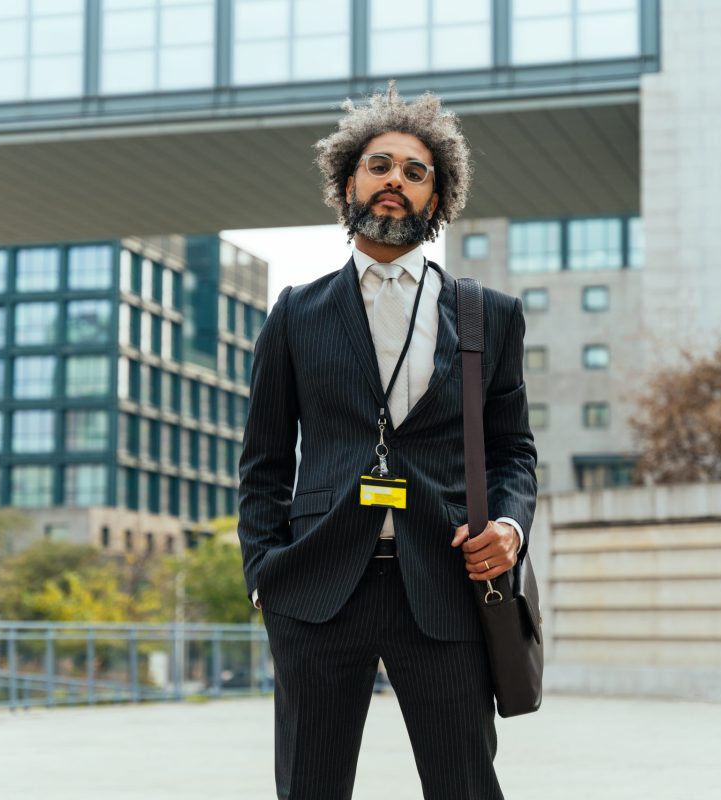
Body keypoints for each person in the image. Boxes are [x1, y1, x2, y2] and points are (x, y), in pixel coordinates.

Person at [238, 82, 538, 800]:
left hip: (445, 585)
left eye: (415, 171)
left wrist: (508, 526)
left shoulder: (489, 317)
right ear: (348, 184)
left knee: (464, 786)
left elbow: (513, 452)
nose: (395, 181)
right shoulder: (294, 315)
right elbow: (264, 462)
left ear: (437, 199)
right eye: (380, 165)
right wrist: (263, 577)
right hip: (316, 591)